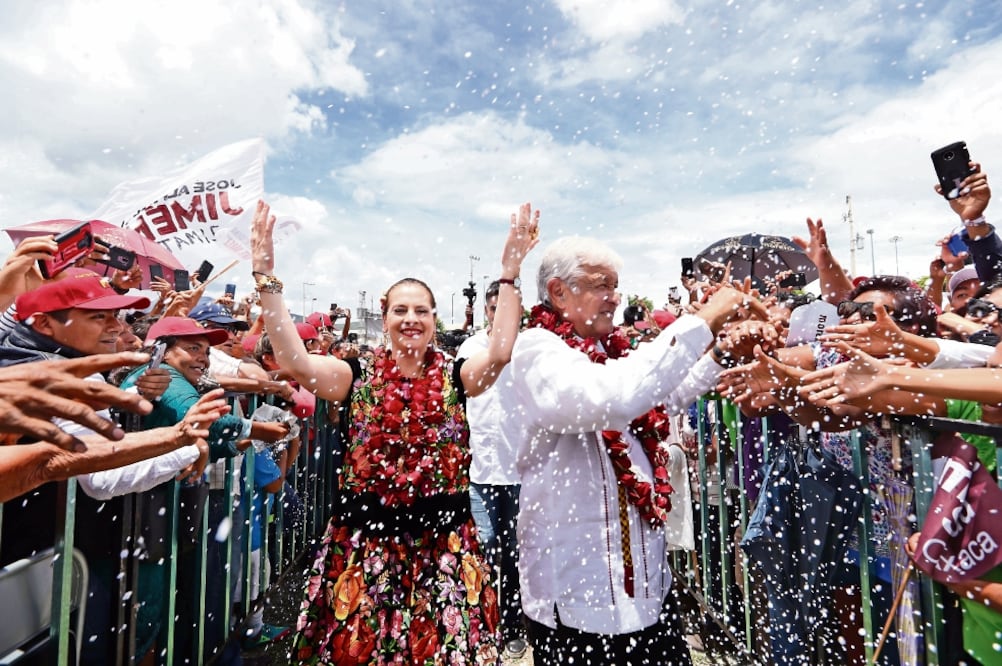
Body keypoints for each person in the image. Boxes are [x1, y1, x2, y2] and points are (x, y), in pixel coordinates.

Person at [249, 198, 539, 664]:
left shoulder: (457, 377)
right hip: (365, 547)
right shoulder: (354, 376)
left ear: (433, 321)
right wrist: (266, 276)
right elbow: (293, 361)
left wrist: (509, 274)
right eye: (401, 310)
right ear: (384, 316)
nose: (411, 320)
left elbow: (501, 354)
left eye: (422, 311)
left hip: (442, 547)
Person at [497, 236, 769, 665]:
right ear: (558, 292)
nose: (613, 299)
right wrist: (706, 318)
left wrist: (720, 353)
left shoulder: (610, 350)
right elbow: (611, 398)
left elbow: (659, 402)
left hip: (648, 589)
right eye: (601, 285)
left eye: (615, 287)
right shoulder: (537, 349)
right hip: (578, 597)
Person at [455, 280, 527, 658]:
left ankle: (513, 623)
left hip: (520, 473)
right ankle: (481, 623)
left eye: (507, 309)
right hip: (480, 470)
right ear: (486, 312)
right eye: (493, 309)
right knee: (480, 553)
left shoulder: (530, 348)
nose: (499, 316)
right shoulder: (471, 348)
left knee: (515, 556)